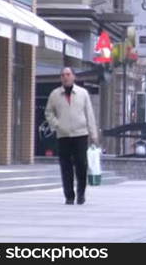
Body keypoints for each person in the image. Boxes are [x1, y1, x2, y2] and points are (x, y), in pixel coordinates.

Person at [45, 67, 98, 205]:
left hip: (80, 134)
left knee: (81, 165)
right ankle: (69, 196)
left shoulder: (82, 93)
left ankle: (81, 193)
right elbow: (49, 113)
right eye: (62, 75)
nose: (65, 77)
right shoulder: (55, 94)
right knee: (66, 167)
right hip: (63, 135)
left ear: (74, 77)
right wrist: (57, 124)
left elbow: (89, 114)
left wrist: (93, 134)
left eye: (68, 74)